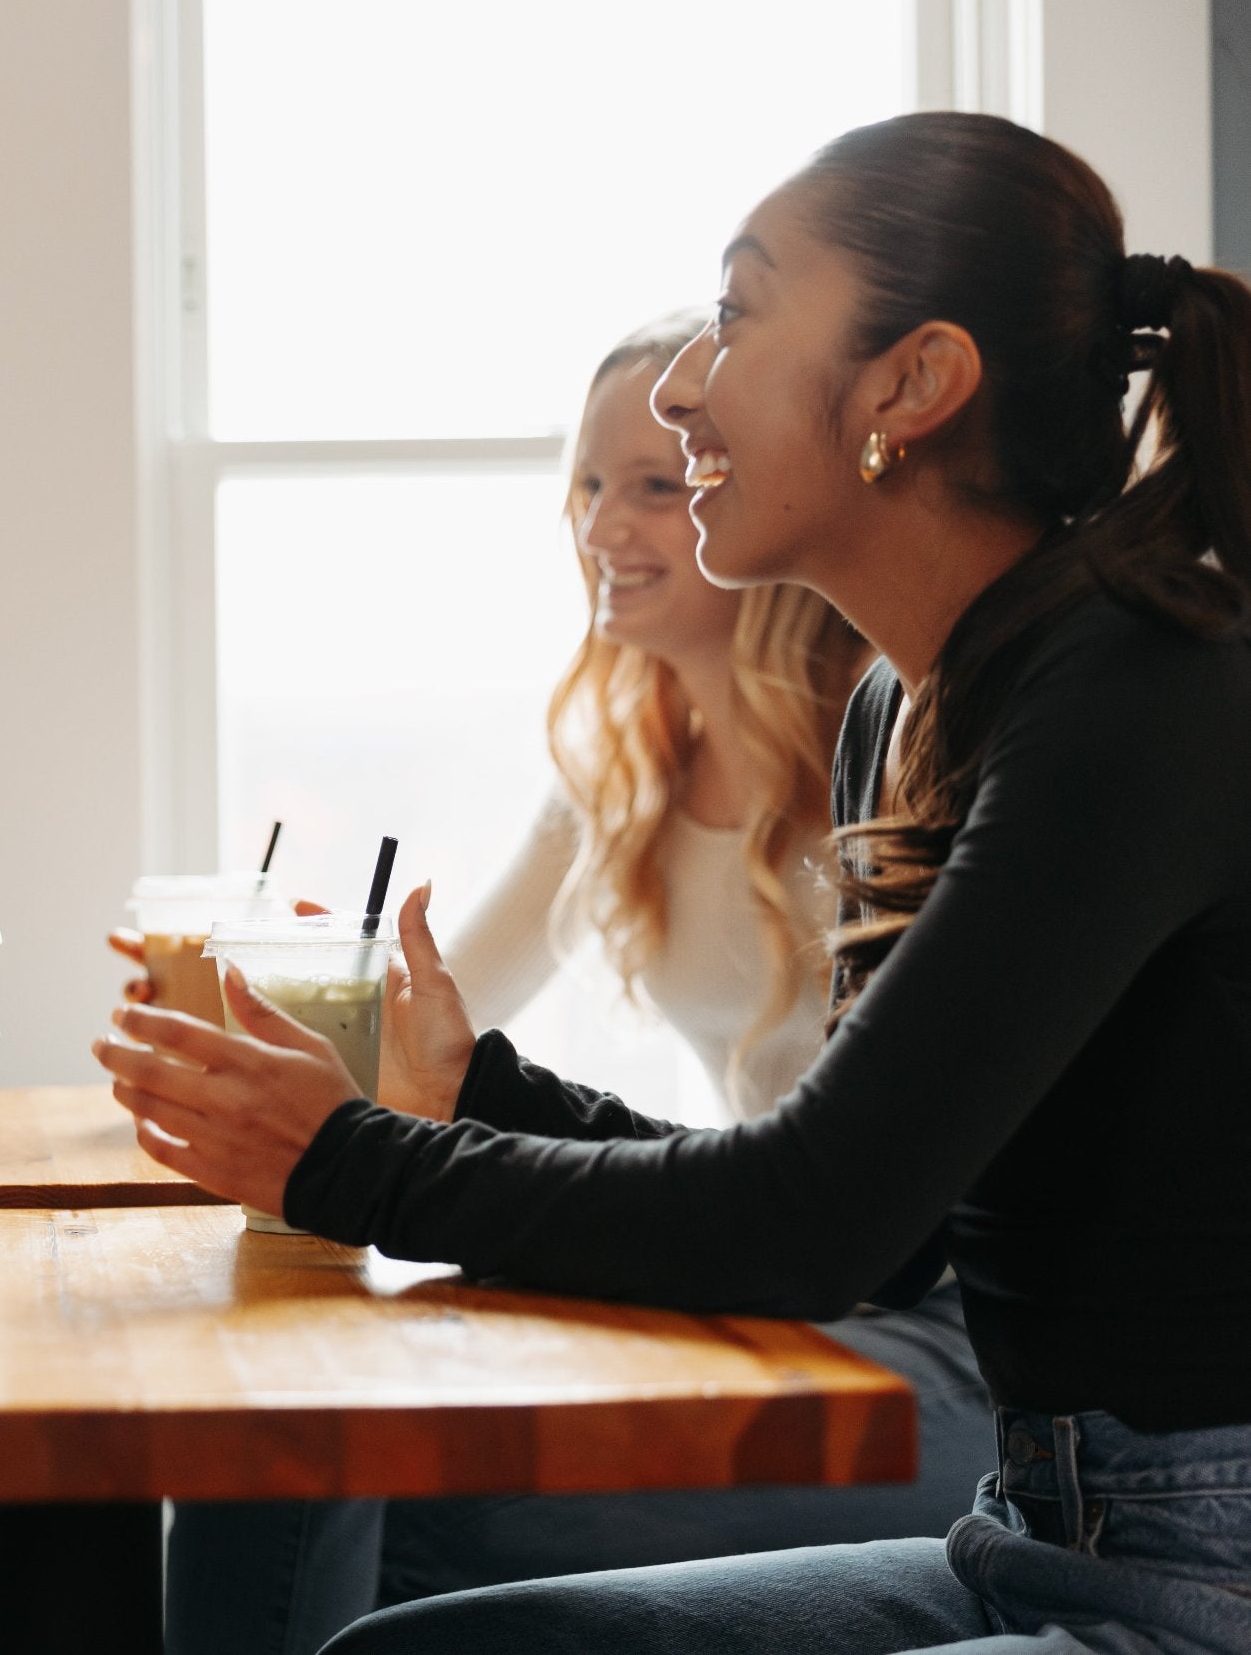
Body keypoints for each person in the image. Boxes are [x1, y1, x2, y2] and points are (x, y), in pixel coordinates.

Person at [99, 110, 1251, 1654]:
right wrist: (471, 1091)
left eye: (738, 310)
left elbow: (812, 1226)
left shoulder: (1141, 690)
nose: (687, 386)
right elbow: (877, 1218)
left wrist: (351, 1159)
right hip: (1035, 1533)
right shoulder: (904, 709)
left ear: (910, 385)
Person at [156, 314, 990, 1655]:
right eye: (589, 487)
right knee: (292, 1434)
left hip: (926, 1340)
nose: (606, 525)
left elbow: (861, 1212)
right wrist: (259, 1003)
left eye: (657, 484)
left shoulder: (895, 758)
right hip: (750, 1275)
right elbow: (437, 1023)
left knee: (399, 1502)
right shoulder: (627, 767)